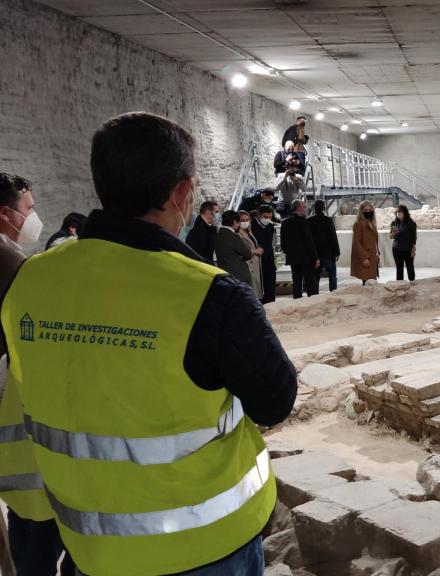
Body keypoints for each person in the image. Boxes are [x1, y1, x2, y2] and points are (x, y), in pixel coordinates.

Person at [0, 112, 296, 576]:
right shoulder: (208, 294)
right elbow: (275, 400)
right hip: (205, 546)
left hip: (91, 546)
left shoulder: (30, 281)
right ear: (181, 194)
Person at [0, 173, 77, 576]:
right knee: (35, 536)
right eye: (28, 209)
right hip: (16, 411)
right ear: (5, 213)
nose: (34, 217)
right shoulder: (13, 266)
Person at [280, 199, 319, 298]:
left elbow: (283, 243)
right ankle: (312, 303)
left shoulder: (285, 223)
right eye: (304, 206)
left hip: (293, 258)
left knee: (296, 283)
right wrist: (315, 257)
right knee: (310, 283)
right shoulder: (304, 221)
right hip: (306, 258)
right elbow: (309, 241)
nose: (306, 208)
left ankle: (297, 302)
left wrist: (290, 253)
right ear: (298, 208)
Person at [214, 210, 255, 287]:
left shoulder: (218, 235)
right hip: (239, 274)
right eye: (239, 221)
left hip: (224, 273)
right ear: (234, 222)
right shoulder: (234, 236)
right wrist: (251, 252)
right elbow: (247, 254)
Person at [309, 200, 340, 291]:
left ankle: (314, 294)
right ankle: (333, 292)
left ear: (314, 208)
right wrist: (337, 252)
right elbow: (333, 237)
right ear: (324, 208)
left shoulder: (309, 221)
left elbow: (309, 238)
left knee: (315, 276)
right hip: (328, 253)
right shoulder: (328, 220)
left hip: (316, 254)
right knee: (332, 275)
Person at [252, 204, 278, 304]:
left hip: (269, 261)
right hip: (257, 262)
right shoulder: (251, 226)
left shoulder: (270, 226)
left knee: (271, 289)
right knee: (259, 291)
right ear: (258, 215)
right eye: (265, 217)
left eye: (270, 217)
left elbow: (272, 243)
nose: (268, 219)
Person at [351, 200, 380, 285]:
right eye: (365, 210)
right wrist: (364, 257)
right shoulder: (359, 224)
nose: (368, 212)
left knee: (371, 281)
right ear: (361, 212)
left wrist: (377, 253)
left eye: (370, 210)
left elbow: (374, 241)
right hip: (366, 258)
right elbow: (356, 242)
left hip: (372, 256)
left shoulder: (372, 223)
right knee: (367, 282)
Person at [238, 211, 264, 300]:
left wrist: (258, 248)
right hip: (248, 264)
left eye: (247, 219)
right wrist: (255, 251)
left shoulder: (249, 232)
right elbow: (242, 250)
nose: (245, 222)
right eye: (242, 220)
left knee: (256, 291)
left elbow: (252, 245)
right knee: (250, 292)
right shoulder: (237, 234)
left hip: (255, 264)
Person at [389, 204, 417, 281]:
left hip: (408, 249)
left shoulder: (411, 223)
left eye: (400, 211)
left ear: (405, 212)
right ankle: (399, 285)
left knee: (410, 267)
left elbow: (414, 237)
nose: (398, 213)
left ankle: (413, 284)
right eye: (397, 212)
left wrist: (413, 249)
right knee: (399, 268)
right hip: (396, 249)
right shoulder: (394, 223)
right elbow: (391, 236)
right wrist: (394, 233)